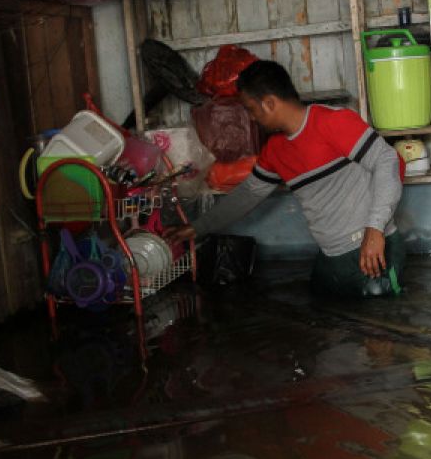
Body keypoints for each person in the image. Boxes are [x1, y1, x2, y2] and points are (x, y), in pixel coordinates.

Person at [165, 60, 405, 298]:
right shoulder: (275, 150)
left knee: (383, 326)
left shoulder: (332, 121)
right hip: (331, 256)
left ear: (269, 103)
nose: (251, 118)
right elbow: (247, 195)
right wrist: (197, 228)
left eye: (250, 109)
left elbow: (388, 161)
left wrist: (374, 230)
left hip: (373, 250)